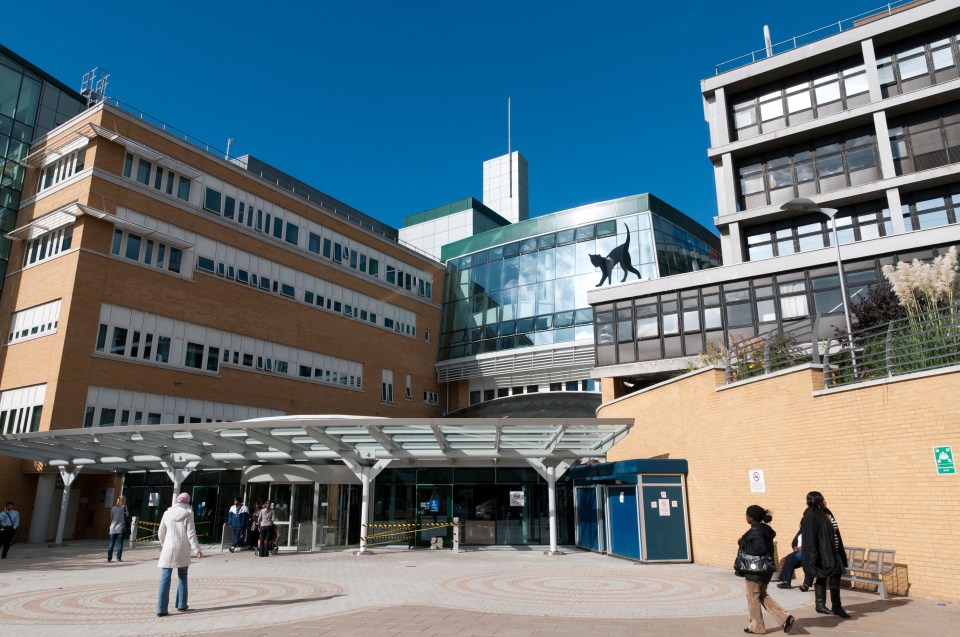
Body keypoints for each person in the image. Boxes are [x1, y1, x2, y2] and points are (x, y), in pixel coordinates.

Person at [739, 505, 795, 635]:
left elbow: (759, 549)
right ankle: (785, 618)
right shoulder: (764, 529)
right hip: (765, 569)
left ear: (751, 518)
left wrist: (742, 543)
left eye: (746, 514)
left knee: (753, 597)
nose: (745, 517)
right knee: (760, 594)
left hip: (756, 570)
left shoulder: (756, 530)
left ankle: (756, 627)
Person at [801, 491, 850, 618]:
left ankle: (834, 606)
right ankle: (822, 605)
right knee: (825, 576)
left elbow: (835, 532)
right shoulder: (811, 515)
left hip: (834, 551)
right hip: (824, 552)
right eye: (822, 499)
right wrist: (813, 556)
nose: (825, 501)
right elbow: (811, 537)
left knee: (835, 576)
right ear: (816, 501)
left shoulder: (826, 512)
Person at [156, 493, 202, 617]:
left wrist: (164, 544)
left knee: (165, 576)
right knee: (182, 575)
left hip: (168, 548)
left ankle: (161, 608)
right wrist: (197, 549)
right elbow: (191, 533)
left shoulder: (167, 513)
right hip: (182, 548)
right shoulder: (188, 513)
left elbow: (160, 532)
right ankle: (181, 604)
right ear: (187, 502)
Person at [776, 520, 814, 591]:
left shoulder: (813, 531)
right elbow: (794, 542)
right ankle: (786, 581)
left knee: (808, 561)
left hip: (810, 552)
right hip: (800, 552)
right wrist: (794, 547)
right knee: (789, 558)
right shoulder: (801, 531)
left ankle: (806, 584)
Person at [107, 495, 129, 562]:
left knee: (111, 543)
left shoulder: (113, 508)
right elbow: (127, 515)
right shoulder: (124, 507)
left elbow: (111, 518)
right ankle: (118, 558)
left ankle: (109, 558)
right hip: (120, 528)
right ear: (123, 500)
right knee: (120, 544)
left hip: (112, 528)